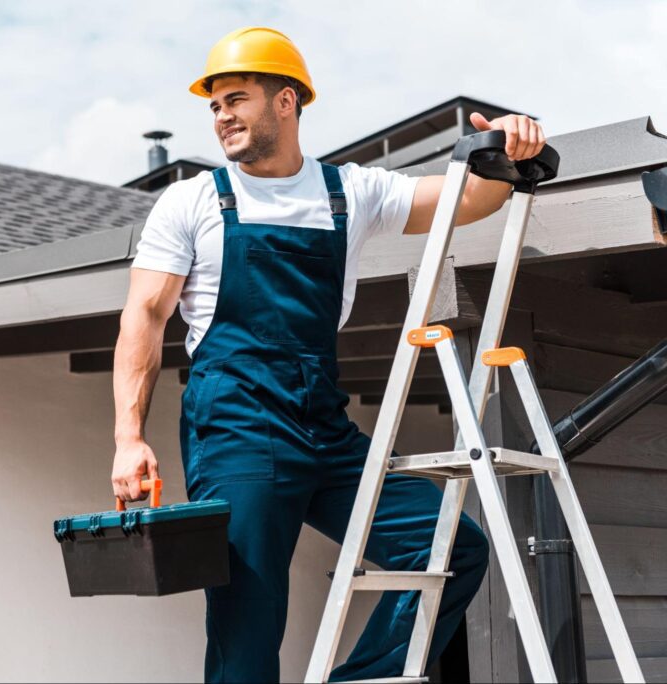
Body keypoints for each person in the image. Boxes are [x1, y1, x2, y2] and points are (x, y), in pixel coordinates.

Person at [110, 26, 547, 683]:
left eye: (236, 98)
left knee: (452, 546)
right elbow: (143, 316)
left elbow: (467, 200)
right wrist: (127, 437)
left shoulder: (349, 192)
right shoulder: (193, 201)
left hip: (322, 428)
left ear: (286, 102)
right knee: (248, 627)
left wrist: (510, 150)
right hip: (235, 432)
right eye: (214, 105)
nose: (222, 115)